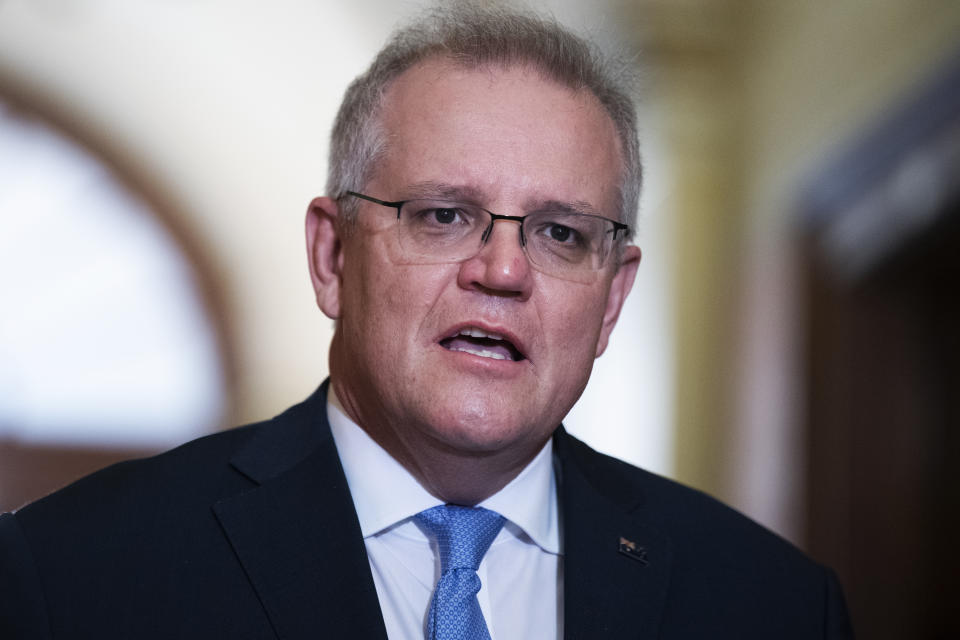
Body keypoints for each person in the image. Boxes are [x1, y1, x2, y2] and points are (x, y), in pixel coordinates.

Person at [0, 4, 853, 639]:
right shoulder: (73, 576)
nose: (504, 270)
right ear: (333, 256)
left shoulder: (770, 604)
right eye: (444, 215)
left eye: (561, 233)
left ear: (613, 298)